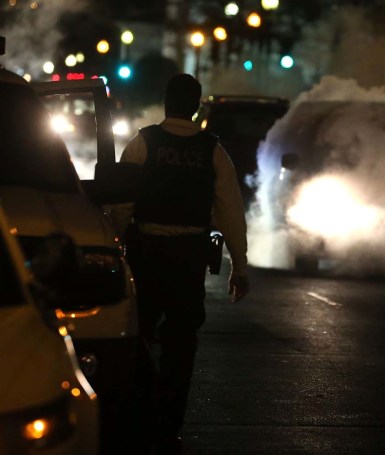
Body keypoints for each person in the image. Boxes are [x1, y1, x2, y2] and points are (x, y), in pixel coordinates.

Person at [110, 73, 250, 454]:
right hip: (188, 260)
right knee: (181, 345)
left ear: (166, 101)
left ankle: (139, 416)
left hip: (146, 255)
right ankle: (169, 424)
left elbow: (121, 202)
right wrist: (240, 265)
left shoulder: (144, 142)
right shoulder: (213, 151)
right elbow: (231, 212)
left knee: (136, 337)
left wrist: (114, 245)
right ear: (196, 106)